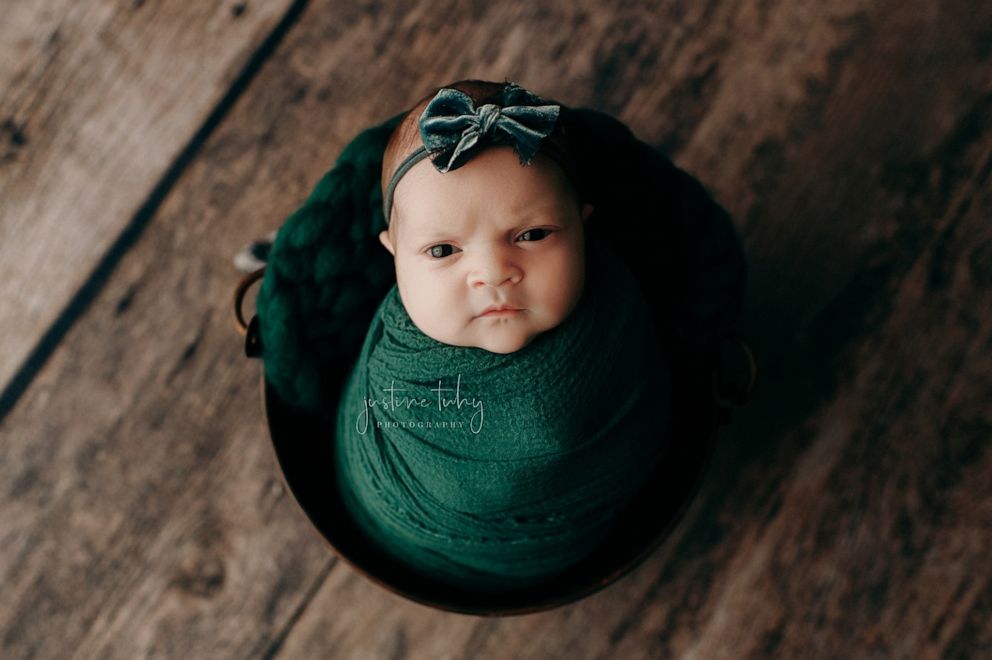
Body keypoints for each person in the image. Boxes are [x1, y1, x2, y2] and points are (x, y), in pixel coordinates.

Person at [333, 80, 673, 592]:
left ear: (584, 228)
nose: (493, 273)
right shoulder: (394, 359)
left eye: (533, 235)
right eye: (443, 251)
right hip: (402, 533)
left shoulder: (618, 312)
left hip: (576, 540)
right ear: (393, 254)